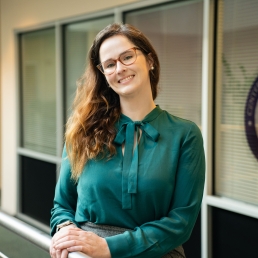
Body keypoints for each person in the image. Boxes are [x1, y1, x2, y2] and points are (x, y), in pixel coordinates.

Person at [49, 23, 205, 258]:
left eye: (127, 57)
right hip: (86, 253)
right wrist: (66, 232)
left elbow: (181, 221)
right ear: (104, 75)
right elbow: (62, 205)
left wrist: (109, 247)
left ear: (150, 61)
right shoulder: (83, 131)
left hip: (157, 253)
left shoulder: (185, 134)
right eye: (110, 64)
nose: (119, 68)